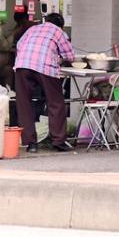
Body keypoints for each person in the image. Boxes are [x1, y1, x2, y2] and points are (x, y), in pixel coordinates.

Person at [14, 12, 75, 153]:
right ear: (61, 25)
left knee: (24, 104)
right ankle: (58, 141)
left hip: (22, 65)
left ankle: (31, 144)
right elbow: (70, 56)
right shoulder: (59, 32)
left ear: (46, 21)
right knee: (56, 103)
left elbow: (19, 45)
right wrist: (59, 57)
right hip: (45, 67)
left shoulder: (33, 29)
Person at [0, 10, 36, 89]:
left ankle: (11, 92)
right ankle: (8, 94)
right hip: (16, 58)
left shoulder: (33, 28)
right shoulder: (18, 28)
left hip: (29, 60)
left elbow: (6, 46)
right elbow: (7, 45)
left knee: (10, 65)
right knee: (9, 66)